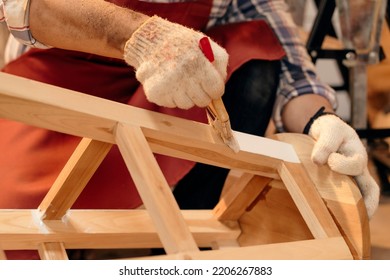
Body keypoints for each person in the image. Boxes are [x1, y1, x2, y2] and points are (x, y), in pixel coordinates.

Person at [0, 0, 380, 259]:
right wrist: (141, 37)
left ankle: (187, 245)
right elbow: (22, 6)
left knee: (254, 54)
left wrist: (321, 122)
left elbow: (279, 42)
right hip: (60, 86)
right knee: (22, 229)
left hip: (170, 89)